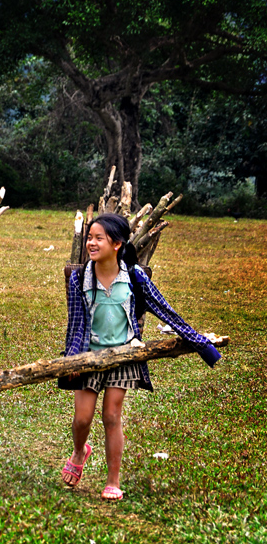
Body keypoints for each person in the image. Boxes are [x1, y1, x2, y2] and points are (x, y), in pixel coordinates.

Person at [59, 213, 221, 500]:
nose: (91, 243)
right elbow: (75, 326)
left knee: (111, 415)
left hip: (124, 356)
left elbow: (165, 311)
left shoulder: (134, 277)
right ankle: (79, 450)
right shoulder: (78, 279)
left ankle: (112, 480)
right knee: (82, 419)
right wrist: (72, 361)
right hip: (88, 356)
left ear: (117, 244)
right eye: (89, 238)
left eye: (99, 238)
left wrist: (201, 344)